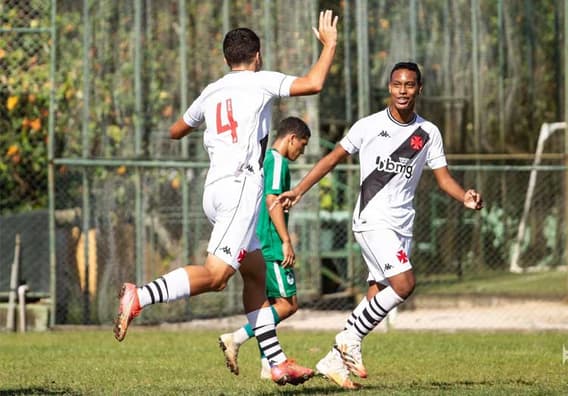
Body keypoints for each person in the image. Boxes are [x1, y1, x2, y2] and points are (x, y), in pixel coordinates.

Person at [113, 10, 338, 387]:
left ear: (225, 59)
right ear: (258, 55)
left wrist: (200, 123)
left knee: (256, 273)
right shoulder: (261, 81)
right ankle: (141, 296)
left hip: (214, 188)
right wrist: (329, 45)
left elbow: (175, 130)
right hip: (240, 189)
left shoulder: (212, 90)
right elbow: (314, 83)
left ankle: (276, 362)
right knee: (217, 276)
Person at [276, 61, 483, 389]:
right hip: (372, 220)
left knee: (379, 295)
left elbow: (443, 179)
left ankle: (334, 357)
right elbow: (332, 159)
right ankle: (349, 340)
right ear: (389, 88)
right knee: (404, 285)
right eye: (398, 84)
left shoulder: (428, 133)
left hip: (402, 225)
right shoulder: (368, 126)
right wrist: (300, 190)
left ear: (419, 89)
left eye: (410, 85)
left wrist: (465, 197)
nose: (403, 90)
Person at [218, 116, 310, 380]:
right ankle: (235, 338)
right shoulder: (278, 162)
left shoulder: (264, 159)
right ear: (291, 138)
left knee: (267, 303)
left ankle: (266, 364)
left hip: (255, 240)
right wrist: (286, 240)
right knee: (288, 304)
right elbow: (272, 200)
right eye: (301, 146)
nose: (301, 152)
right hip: (270, 242)